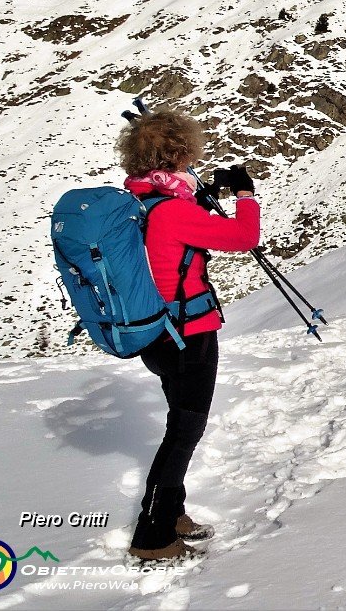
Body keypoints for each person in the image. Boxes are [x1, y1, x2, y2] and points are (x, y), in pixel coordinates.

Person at [115, 107, 260, 563]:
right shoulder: (173, 211)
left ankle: (172, 513)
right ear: (178, 154)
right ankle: (152, 537)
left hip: (153, 334)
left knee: (179, 423)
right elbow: (244, 237)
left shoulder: (134, 204)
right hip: (188, 334)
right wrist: (245, 194)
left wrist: (201, 198)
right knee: (184, 432)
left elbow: (166, 245)